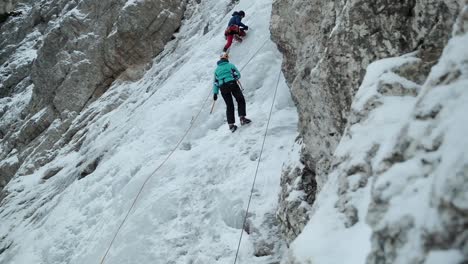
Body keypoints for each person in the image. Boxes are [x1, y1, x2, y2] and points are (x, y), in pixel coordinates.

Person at [213, 52, 251, 132]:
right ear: (226, 58)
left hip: (223, 88)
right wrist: (234, 78)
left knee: (229, 105)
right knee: (240, 99)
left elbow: (216, 82)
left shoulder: (216, 70)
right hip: (232, 84)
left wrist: (215, 93)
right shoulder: (230, 65)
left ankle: (231, 125)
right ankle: (242, 118)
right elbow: (238, 75)